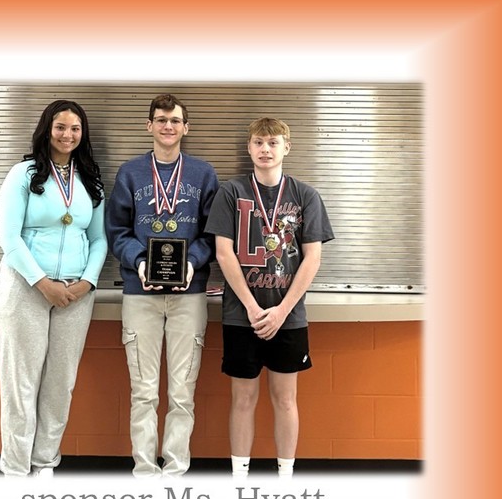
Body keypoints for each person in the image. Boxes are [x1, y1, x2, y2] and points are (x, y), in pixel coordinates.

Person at [206, 117, 335, 478]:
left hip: (288, 317)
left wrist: (281, 310)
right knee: (242, 399)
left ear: (286, 148)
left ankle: (285, 478)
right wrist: (251, 306)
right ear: (249, 148)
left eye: (273, 143)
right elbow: (223, 253)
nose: (266, 149)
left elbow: (313, 257)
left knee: (285, 399)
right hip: (239, 315)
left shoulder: (305, 195)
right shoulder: (231, 192)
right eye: (259, 143)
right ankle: (240, 479)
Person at [0, 100, 108, 477]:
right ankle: (15, 470)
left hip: (75, 294)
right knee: (20, 384)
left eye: (75, 128)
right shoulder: (23, 174)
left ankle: (44, 464)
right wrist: (42, 283)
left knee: (61, 385)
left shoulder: (90, 179)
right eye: (60, 127)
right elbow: (9, 239)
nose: (67, 135)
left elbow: (99, 240)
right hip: (25, 289)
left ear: (82, 134)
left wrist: (87, 281)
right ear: (47, 129)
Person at [106, 94, 219, 477]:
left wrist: (190, 262)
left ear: (186, 127)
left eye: (175, 120)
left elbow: (213, 235)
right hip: (141, 296)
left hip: (189, 294)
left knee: (182, 393)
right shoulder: (130, 173)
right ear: (148, 126)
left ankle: (174, 472)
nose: (167, 126)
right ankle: (143, 472)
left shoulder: (204, 175)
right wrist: (139, 261)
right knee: (143, 391)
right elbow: (117, 232)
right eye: (160, 119)